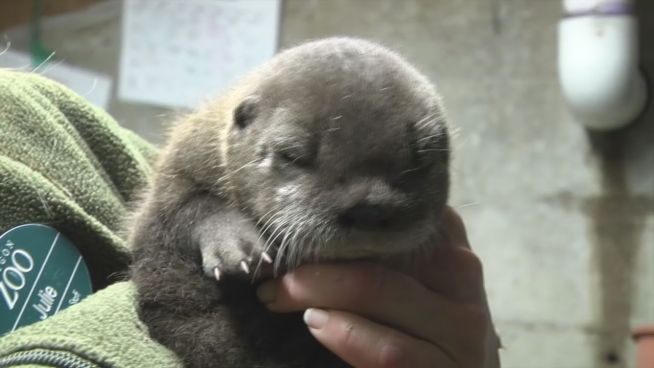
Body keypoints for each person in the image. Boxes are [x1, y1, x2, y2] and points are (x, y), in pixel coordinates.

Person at [0, 70, 500, 367]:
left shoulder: (30, 116)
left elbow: (149, 206)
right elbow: (165, 218)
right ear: (244, 126)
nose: (366, 207)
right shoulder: (204, 151)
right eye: (294, 153)